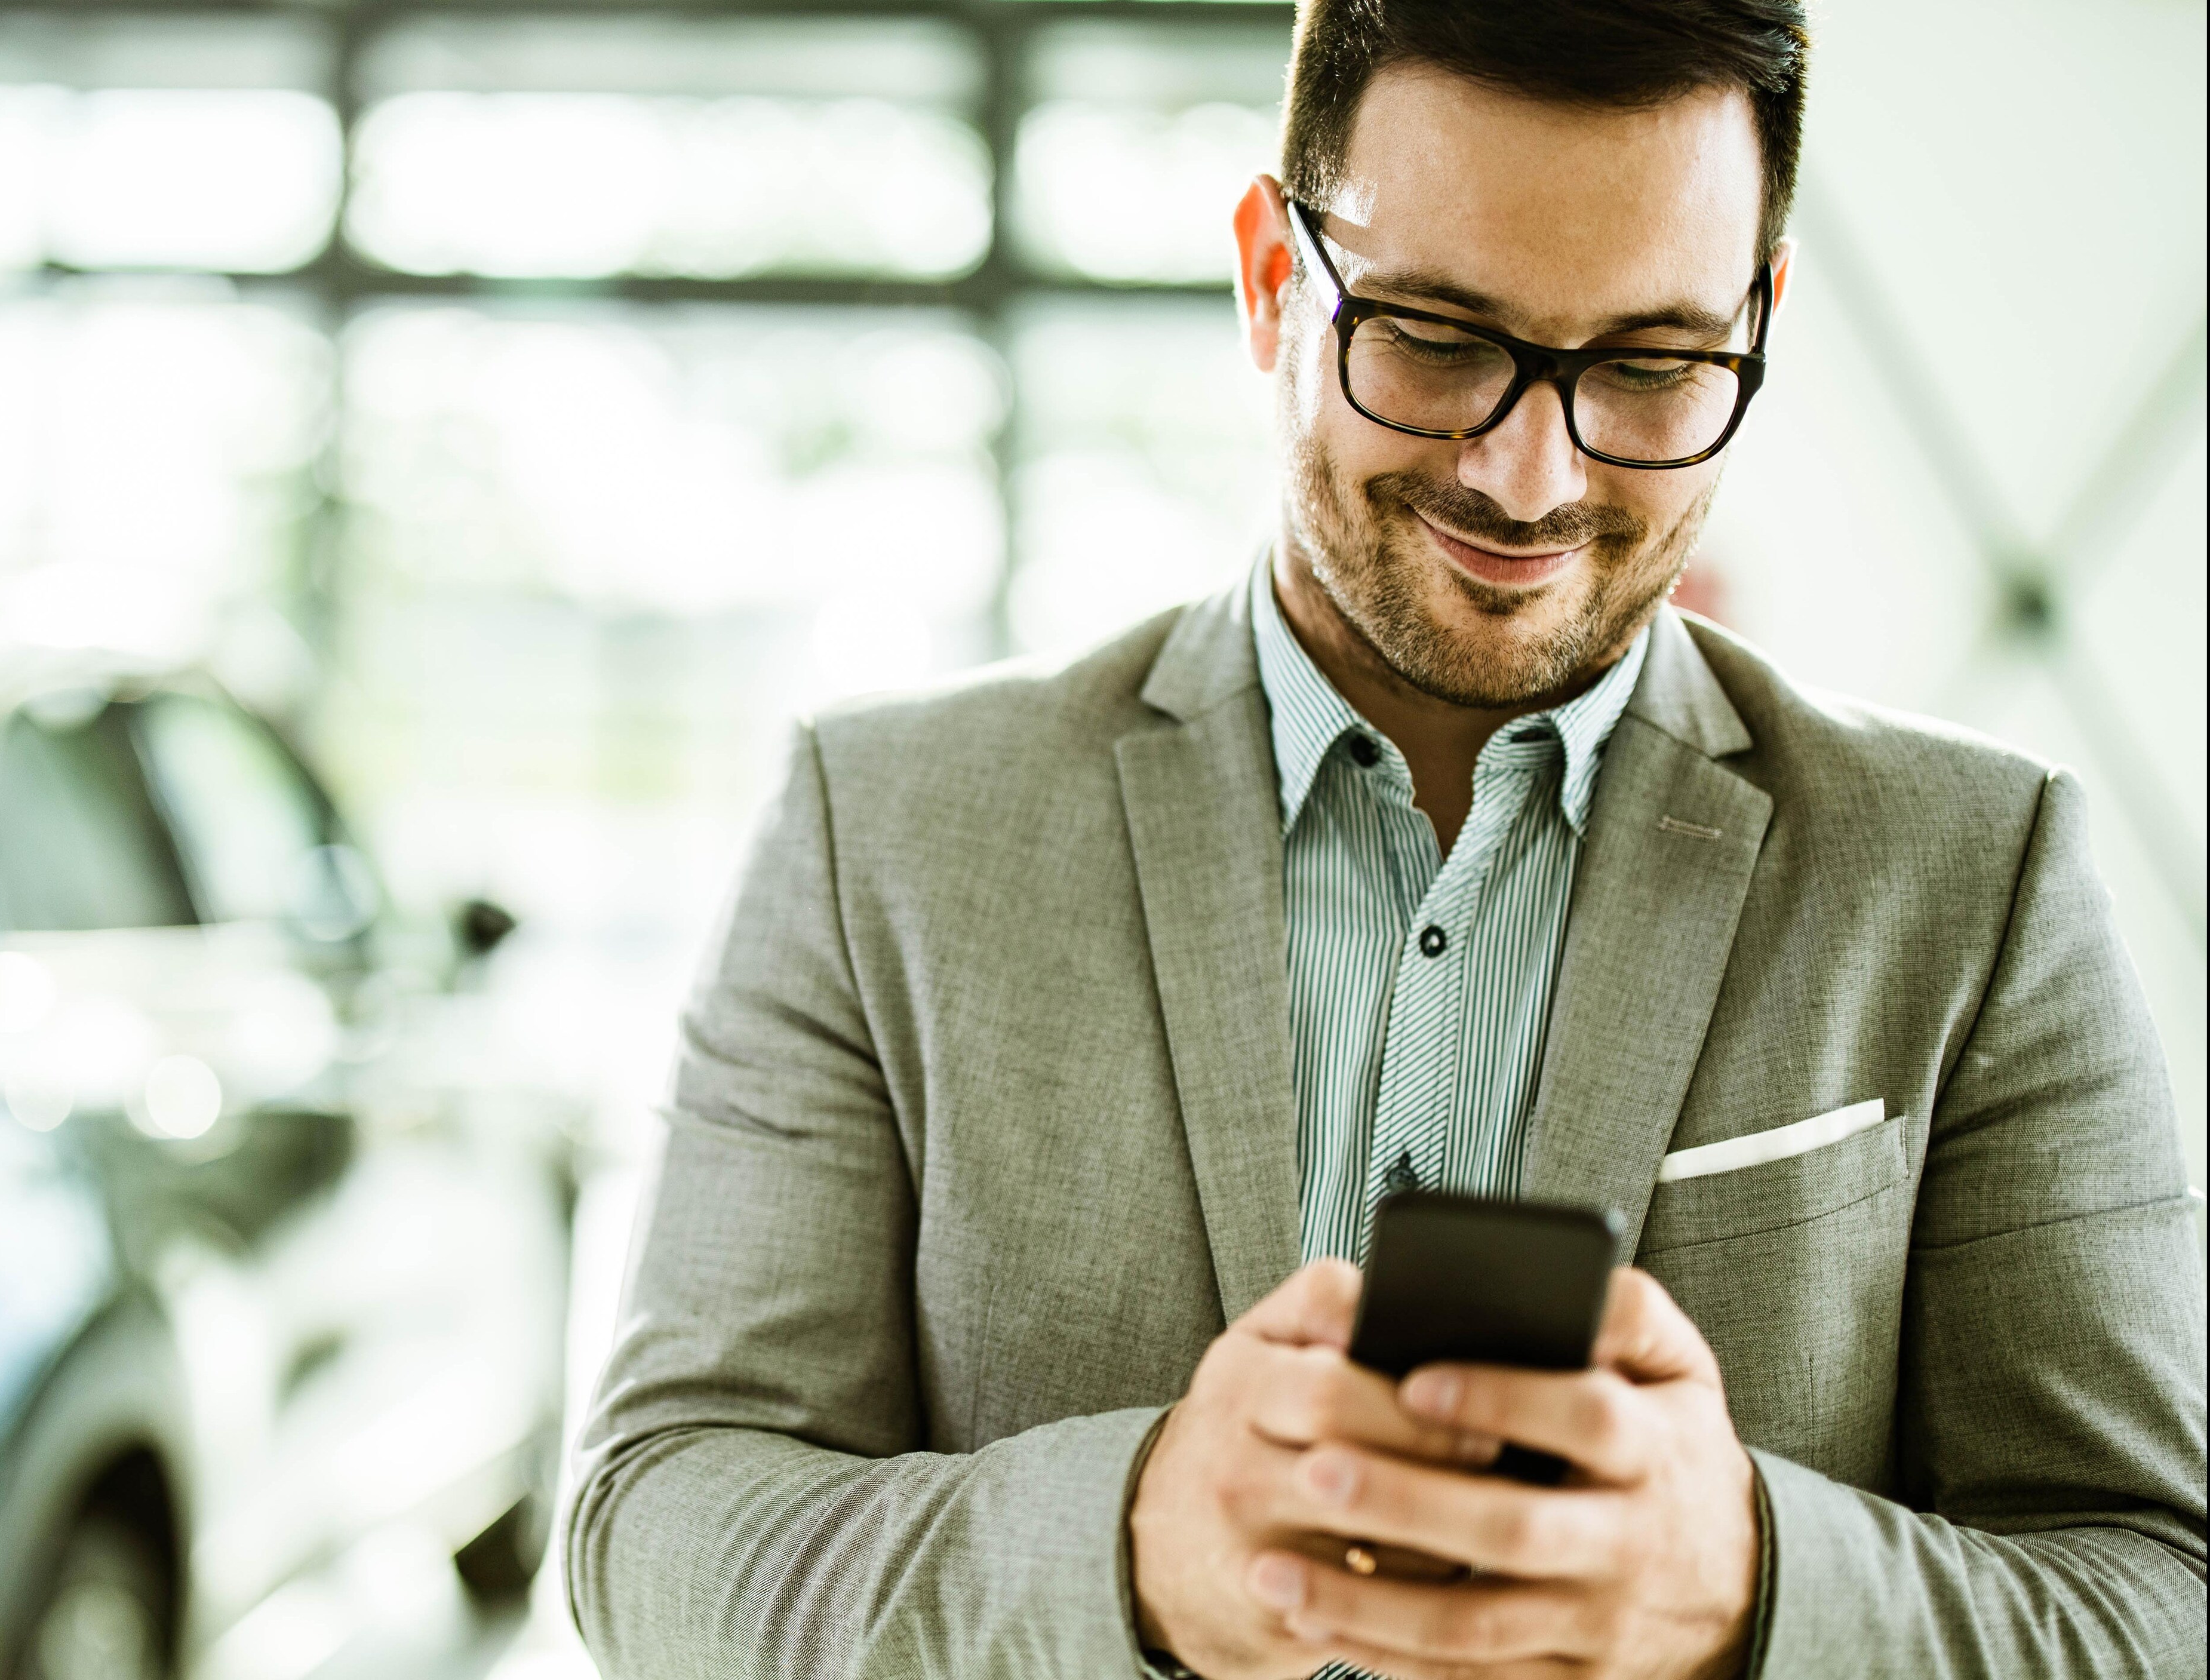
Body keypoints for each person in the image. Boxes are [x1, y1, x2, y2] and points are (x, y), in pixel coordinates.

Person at [561, 0, 2207, 1675]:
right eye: (1434, 338)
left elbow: (2161, 1590)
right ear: (1273, 275)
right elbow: (661, 1526)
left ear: (1758, 323)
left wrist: (1751, 1585)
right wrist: (1131, 1551)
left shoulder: (1978, 875)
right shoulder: (885, 829)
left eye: (1651, 367)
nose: (1530, 478)